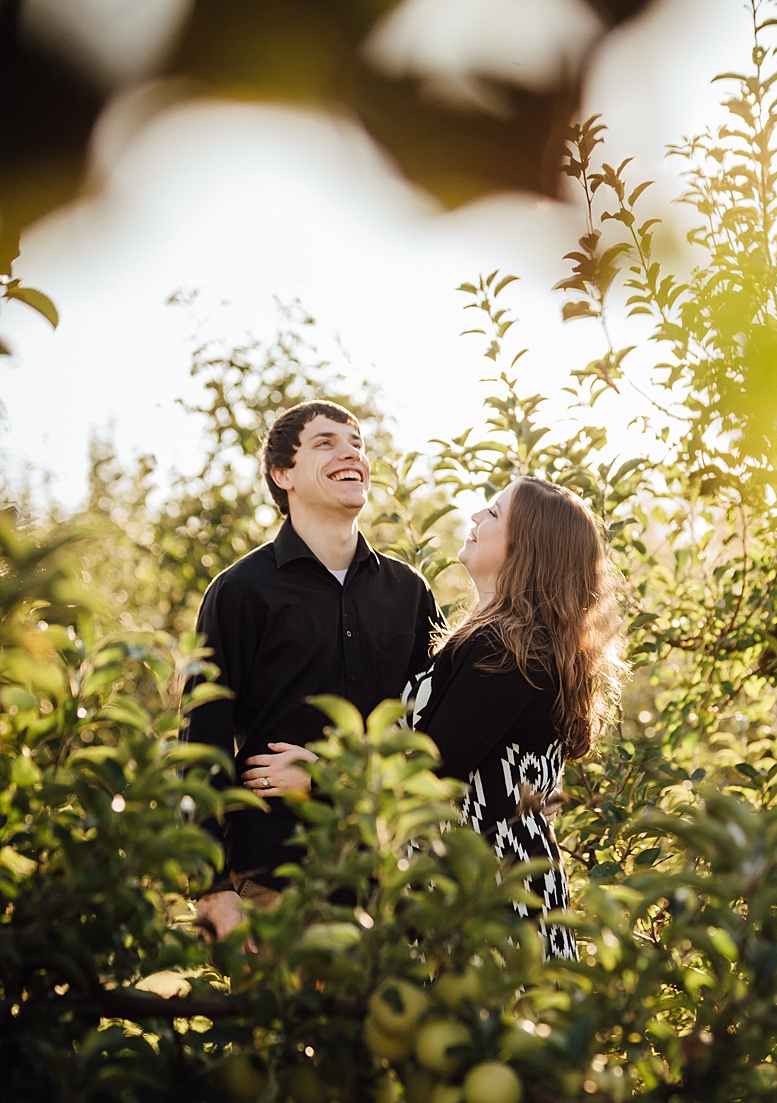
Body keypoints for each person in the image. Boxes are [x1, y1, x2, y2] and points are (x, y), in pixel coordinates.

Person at [184, 400, 443, 938]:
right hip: (275, 874)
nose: (351, 453)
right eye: (325, 443)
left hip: (391, 875)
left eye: (358, 444)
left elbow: (435, 726)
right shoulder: (240, 591)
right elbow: (202, 739)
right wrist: (210, 885)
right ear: (284, 475)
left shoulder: (408, 592)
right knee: (286, 1023)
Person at [405, 475, 623, 958]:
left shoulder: (506, 650)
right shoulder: (514, 644)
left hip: (487, 889)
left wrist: (318, 778)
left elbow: (431, 770)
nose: (476, 517)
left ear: (528, 549)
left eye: (495, 512)